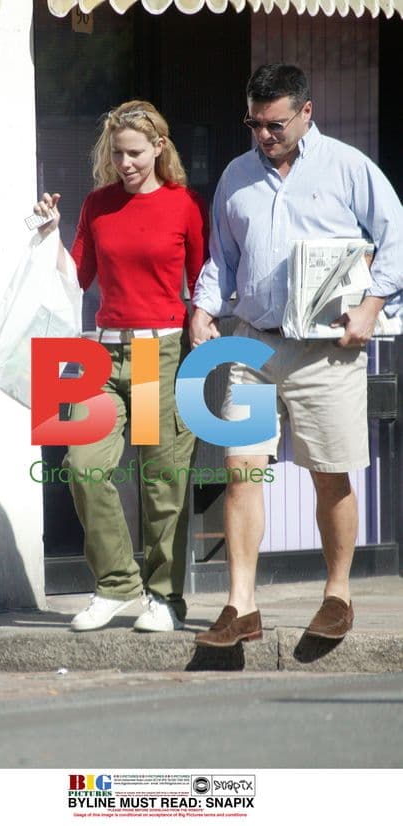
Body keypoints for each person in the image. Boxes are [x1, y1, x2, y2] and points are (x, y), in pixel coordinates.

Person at [190, 64, 403, 647]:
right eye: (255, 123)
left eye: (275, 123)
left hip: (326, 353)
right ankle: (241, 607)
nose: (264, 134)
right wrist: (202, 309)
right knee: (242, 472)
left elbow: (396, 240)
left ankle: (338, 596)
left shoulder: (348, 167)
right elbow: (221, 260)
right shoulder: (236, 176)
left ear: (306, 112)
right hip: (253, 344)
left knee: (330, 476)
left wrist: (371, 307)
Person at [34, 101, 209, 632]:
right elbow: (77, 277)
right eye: (117, 154)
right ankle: (114, 584)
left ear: (159, 147)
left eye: (135, 153)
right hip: (101, 356)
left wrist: (204, 322)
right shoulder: (97, 204)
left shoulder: (183, 206)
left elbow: (204, 280)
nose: (126, 163)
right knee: (84, 468)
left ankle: (163, 599)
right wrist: (52, 234)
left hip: (159, 354)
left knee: (161, 482)